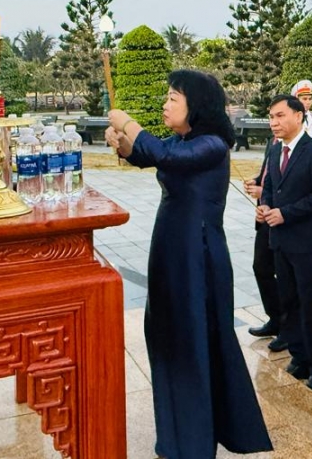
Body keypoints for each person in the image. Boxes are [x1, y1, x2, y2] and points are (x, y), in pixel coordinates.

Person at [105, 70, 271, 458]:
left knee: (193, 339)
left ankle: (195, 442)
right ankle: (176, 437)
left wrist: (127, 122)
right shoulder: (183, 140)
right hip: (170, 247)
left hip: (198, 255)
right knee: (167, 335)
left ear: (195, 105)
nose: (165, 104)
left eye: (173, 98)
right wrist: (124, 146)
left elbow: (165, 157)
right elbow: (148, 155)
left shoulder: (212, 145)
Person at [259, 94, 312, 396]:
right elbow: (269, 186)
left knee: (309, 303)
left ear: (298, 116)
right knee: (289, 300)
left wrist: (285, 213)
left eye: (280, 116)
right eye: (271, 117)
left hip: (305, 240)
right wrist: (266, 206)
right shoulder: (275, 149)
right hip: (280, 238)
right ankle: (299, 356)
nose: (274, 122)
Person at [243, 140, 283, 349]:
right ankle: (275, 317)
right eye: (271, 122)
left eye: (278, 121)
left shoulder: (306, 148)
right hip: (266, 216)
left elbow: (296, 188)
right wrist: (256, 182)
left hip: (285, 220)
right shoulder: (273, 143)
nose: (274, 124)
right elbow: (268, 176)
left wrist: (265, 194)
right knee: (261, 267)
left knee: (285, 275)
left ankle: (289, 327)